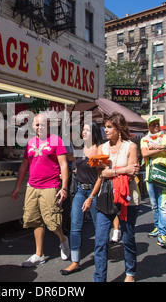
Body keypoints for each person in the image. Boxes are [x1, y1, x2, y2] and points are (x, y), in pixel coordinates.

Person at [11, 113, 70, 267]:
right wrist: (18, 187)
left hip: (51, 186)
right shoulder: (30, 143)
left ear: (48, 125)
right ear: (33, 126)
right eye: (37, 125)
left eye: (42, 124)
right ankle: (39, 254)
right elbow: (24, 165)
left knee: (53, 222)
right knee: (35, 220)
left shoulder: (56, 141)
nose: (39, 127)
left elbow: (63, 165)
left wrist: (64, 187)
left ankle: (63, 240)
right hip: (33, 186)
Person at [93, 113, 140, 282]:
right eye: (105, 127)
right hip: (105, 197)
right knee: (100, 241)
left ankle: (130, 273)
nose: (105, 130)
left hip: (127, 198)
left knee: (128, 238)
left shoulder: (131, 147)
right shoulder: (102, 148)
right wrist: (121, 170)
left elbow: (132, 174)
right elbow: (101, 173)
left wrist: (112, 171)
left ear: (119, 129)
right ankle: (99, 278)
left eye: (109, 127)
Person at [60, 122, 104, 276]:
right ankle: (75, 261)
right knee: (75, 226)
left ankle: (101, 258)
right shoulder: (79, 149)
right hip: (80, 190)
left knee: (99, 227)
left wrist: (91, 197)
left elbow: (100, 176)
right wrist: (74, 171)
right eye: (83, 130)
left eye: (86, 130)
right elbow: (74, 164)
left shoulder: (99, 150)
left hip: (94, 191)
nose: (83, 132)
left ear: (94, 132)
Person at [140, 115, 166, 248]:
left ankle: (163, 234)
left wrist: (160, 147)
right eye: (153, 124)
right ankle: (158, 227)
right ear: (149, 127)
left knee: (163, 206)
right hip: (150, 177)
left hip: (164, 176)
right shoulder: (144, 139)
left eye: (157, 123)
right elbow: (144, 154)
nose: (156, 126)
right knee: (154, 205)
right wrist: (159, 149)